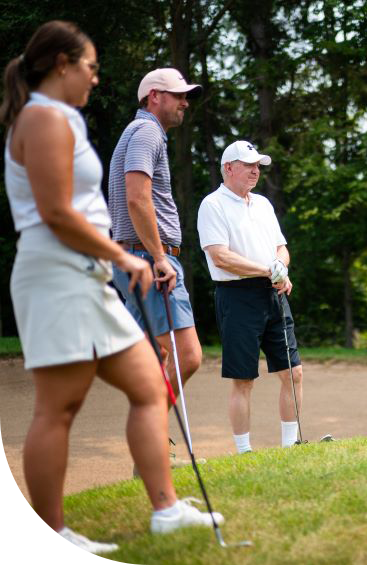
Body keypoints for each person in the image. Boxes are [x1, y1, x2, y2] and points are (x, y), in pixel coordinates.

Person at [1, 20, 222, 560]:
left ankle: (167, 510)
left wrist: (116, 258)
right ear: (61, 64)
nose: (96, 79)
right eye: (91, 67)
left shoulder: (61, 119)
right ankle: (50, 537)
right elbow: (55, 213)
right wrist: (133, 256)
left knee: (150, 386)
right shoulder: (44, 119)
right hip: (57, 274)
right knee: (59, 408)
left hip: (89, 273)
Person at [107, 66, 203, 416]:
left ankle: (149, 454)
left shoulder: (141, 132)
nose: (185, 104)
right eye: (179, 96)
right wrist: (159, 256)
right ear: (154, 97)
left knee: (156, 358)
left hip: (136, 257)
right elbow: (137, 197)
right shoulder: (147, 132)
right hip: (148, 259)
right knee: (188, 355)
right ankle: (150, 439)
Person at [197, 140, 304, 454]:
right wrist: (268, 270)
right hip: (237, 296)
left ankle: (291, 447)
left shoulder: (262, 204)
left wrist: (280, 268)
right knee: (244, 379)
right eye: (249, 165)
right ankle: (244, 452)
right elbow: (221, 257)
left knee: (293, 372)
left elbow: (281, 249)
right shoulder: (212, 205)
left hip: (272, 293)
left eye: (258, 166)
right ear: (229, 168)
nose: (256, 171)